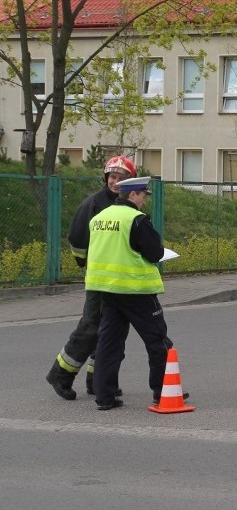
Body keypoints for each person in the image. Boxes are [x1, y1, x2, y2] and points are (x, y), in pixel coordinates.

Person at [85, 176, 185, 410]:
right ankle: (163, 391)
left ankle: (105, 397)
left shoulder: (99, 218)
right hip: (135, 289)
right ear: (132, 195)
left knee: (108, 342)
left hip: (106, 290)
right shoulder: (136, 219)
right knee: (158, 340)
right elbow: (154, 252)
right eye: (143, 196)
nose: (144, 201)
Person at [46, 155, 136, 400]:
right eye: (112, 177)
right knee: (91, 327)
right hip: (99, 280)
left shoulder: (130, 204)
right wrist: (89, 266)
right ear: (106, 178)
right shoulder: (94, 204)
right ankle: (60, 374)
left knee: (113, 331)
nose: (115, 182)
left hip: (120, 281)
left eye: (121, 178)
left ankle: (98, 381)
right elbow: (77, 240)